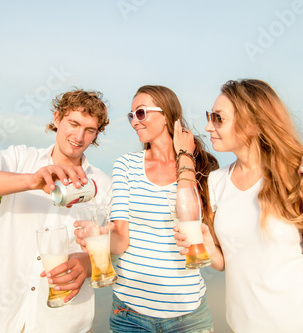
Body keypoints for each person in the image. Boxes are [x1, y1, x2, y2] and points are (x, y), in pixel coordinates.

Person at [177, 79, 303, 333]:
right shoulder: (217, 181)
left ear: (252, 124)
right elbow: (226, 264)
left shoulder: (297, 172)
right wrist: (208, 244)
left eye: (218, 118)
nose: (208, 126)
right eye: (210, 117)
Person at [0, 89, 112, 333]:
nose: (79, 136)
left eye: (89, 130)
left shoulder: (103, 184)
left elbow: (120, 240)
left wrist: (88, 265)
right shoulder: (20, 159)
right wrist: (31, 181)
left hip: (65, 323)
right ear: (57, 118)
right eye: (73, 123)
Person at [76, 85, 218, 332]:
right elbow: (121, 240)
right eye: (131, 115)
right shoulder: (126, 165)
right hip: (130, 312)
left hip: (188, 314)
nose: (134, 122)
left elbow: (189, 222)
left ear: (166, 115)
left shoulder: (203, 166)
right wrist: (101, 236)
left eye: (140, 113)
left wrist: (185, 156)